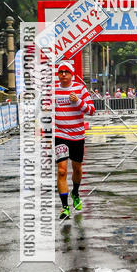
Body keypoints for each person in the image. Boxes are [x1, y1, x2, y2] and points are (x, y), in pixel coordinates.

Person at [54, 60, 95, 219]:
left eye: (66, 72)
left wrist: (77, 101)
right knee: (62, 170)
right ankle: (65, 208)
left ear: (71, 74)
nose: (63, 75)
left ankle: (75, 193)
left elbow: (91, 110)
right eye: (60, 72)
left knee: (77, 169)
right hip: (60, 135)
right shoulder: (52, 90)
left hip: (77, 135)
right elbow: (42, 109)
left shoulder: (80, 88)